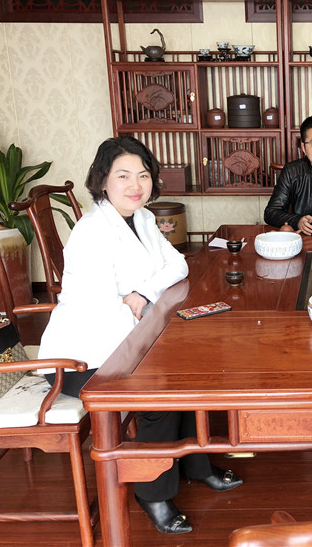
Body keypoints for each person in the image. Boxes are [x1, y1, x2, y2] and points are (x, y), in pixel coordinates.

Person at [38, 137, 242, 534]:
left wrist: (143, 294)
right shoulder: (92, 231)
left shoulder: (143, 218)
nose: (135, 185)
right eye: (123, 176)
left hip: (129, 336)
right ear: (102, 180)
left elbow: (178, 265)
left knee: (188, 371)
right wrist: (143, 311)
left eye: (143, 175)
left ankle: (195, 465)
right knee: (159, 392)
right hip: (84, 357)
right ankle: (153, 493)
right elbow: (101, 309)